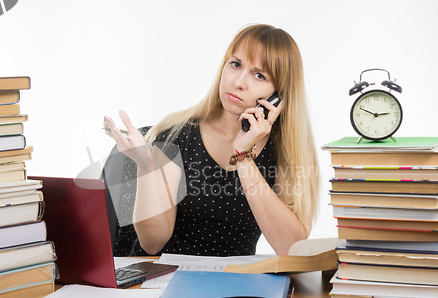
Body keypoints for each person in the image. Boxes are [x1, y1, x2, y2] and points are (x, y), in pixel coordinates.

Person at [103, 23, 320, 257]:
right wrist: (146, 166)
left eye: (259, 75)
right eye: (235, 64)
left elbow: (290, 248)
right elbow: (153, 243)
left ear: (280, 95)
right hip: (163, 279)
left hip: (235, 285)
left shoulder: (291, 151)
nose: (238, 82)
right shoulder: (177, 134)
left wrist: (244, 158)